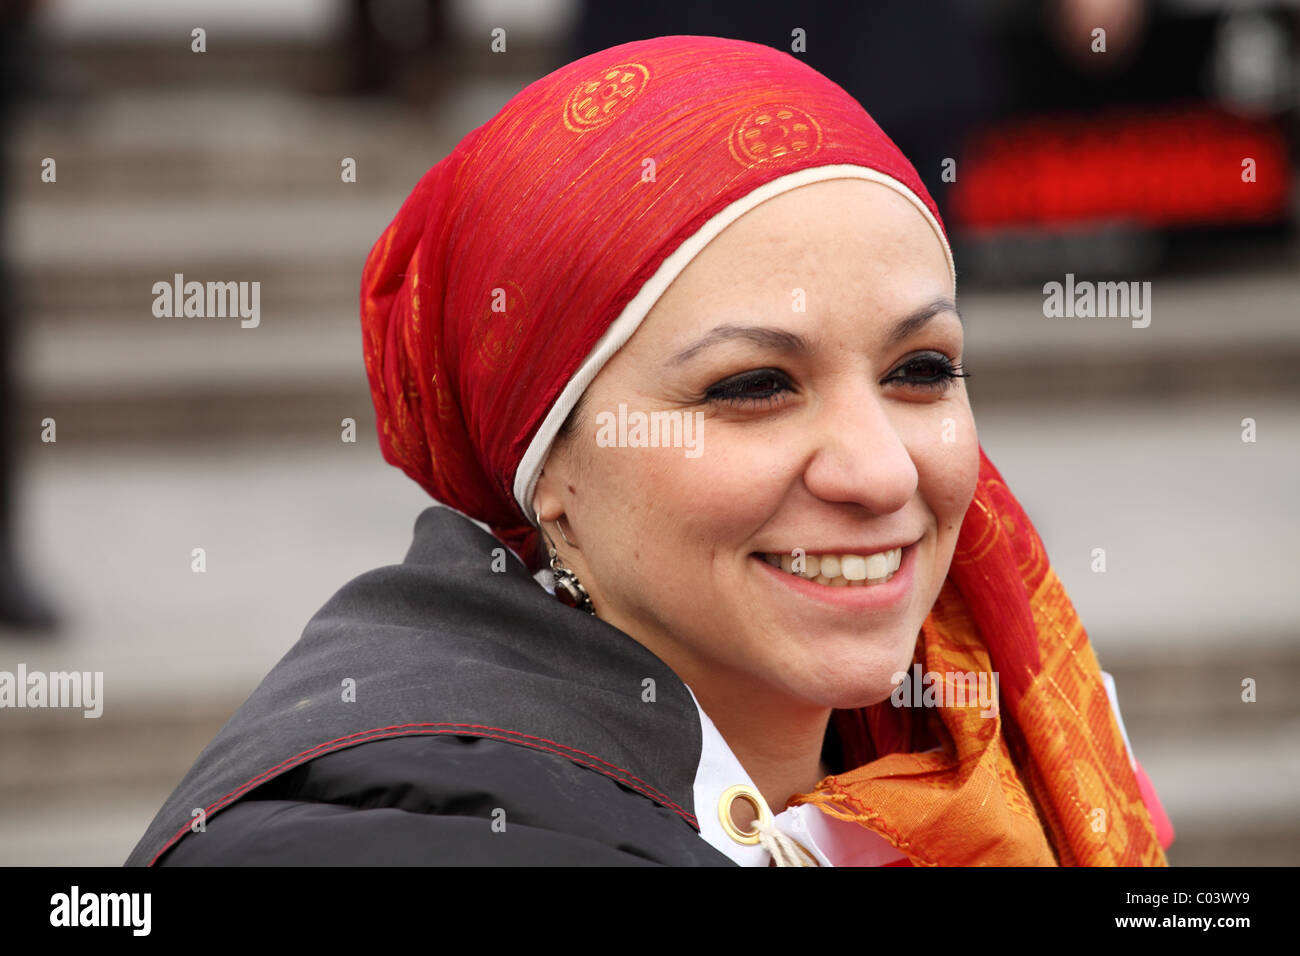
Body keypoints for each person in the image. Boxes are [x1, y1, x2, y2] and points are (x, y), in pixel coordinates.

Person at [126, 35, 1173, 867]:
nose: (882, 471)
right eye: (753, 386)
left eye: (920, 370)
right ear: (552, 476)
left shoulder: (965, 759)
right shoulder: (399, 835)